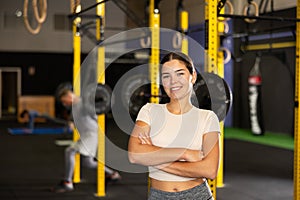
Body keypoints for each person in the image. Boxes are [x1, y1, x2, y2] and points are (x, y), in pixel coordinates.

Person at [128, 51, 220, 200]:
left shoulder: (207, 118)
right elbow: (134, 155)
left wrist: (156, 160)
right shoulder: (149, 111)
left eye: (180, 74)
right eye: (166, 76)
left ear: (193, 76)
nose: (173, 81)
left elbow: (209, 170)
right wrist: (185, 153)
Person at [52, 88, 121, 193]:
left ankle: (67, 182)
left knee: (70, 151)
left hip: (92, 134)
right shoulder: (74, 107)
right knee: (88, 162)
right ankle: (112, 174)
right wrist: (71, 123)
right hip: (86, 135)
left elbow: (97, 113)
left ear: (69, 96)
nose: (64, 103)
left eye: (64, 101)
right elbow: (73, 119)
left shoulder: (84, 103)